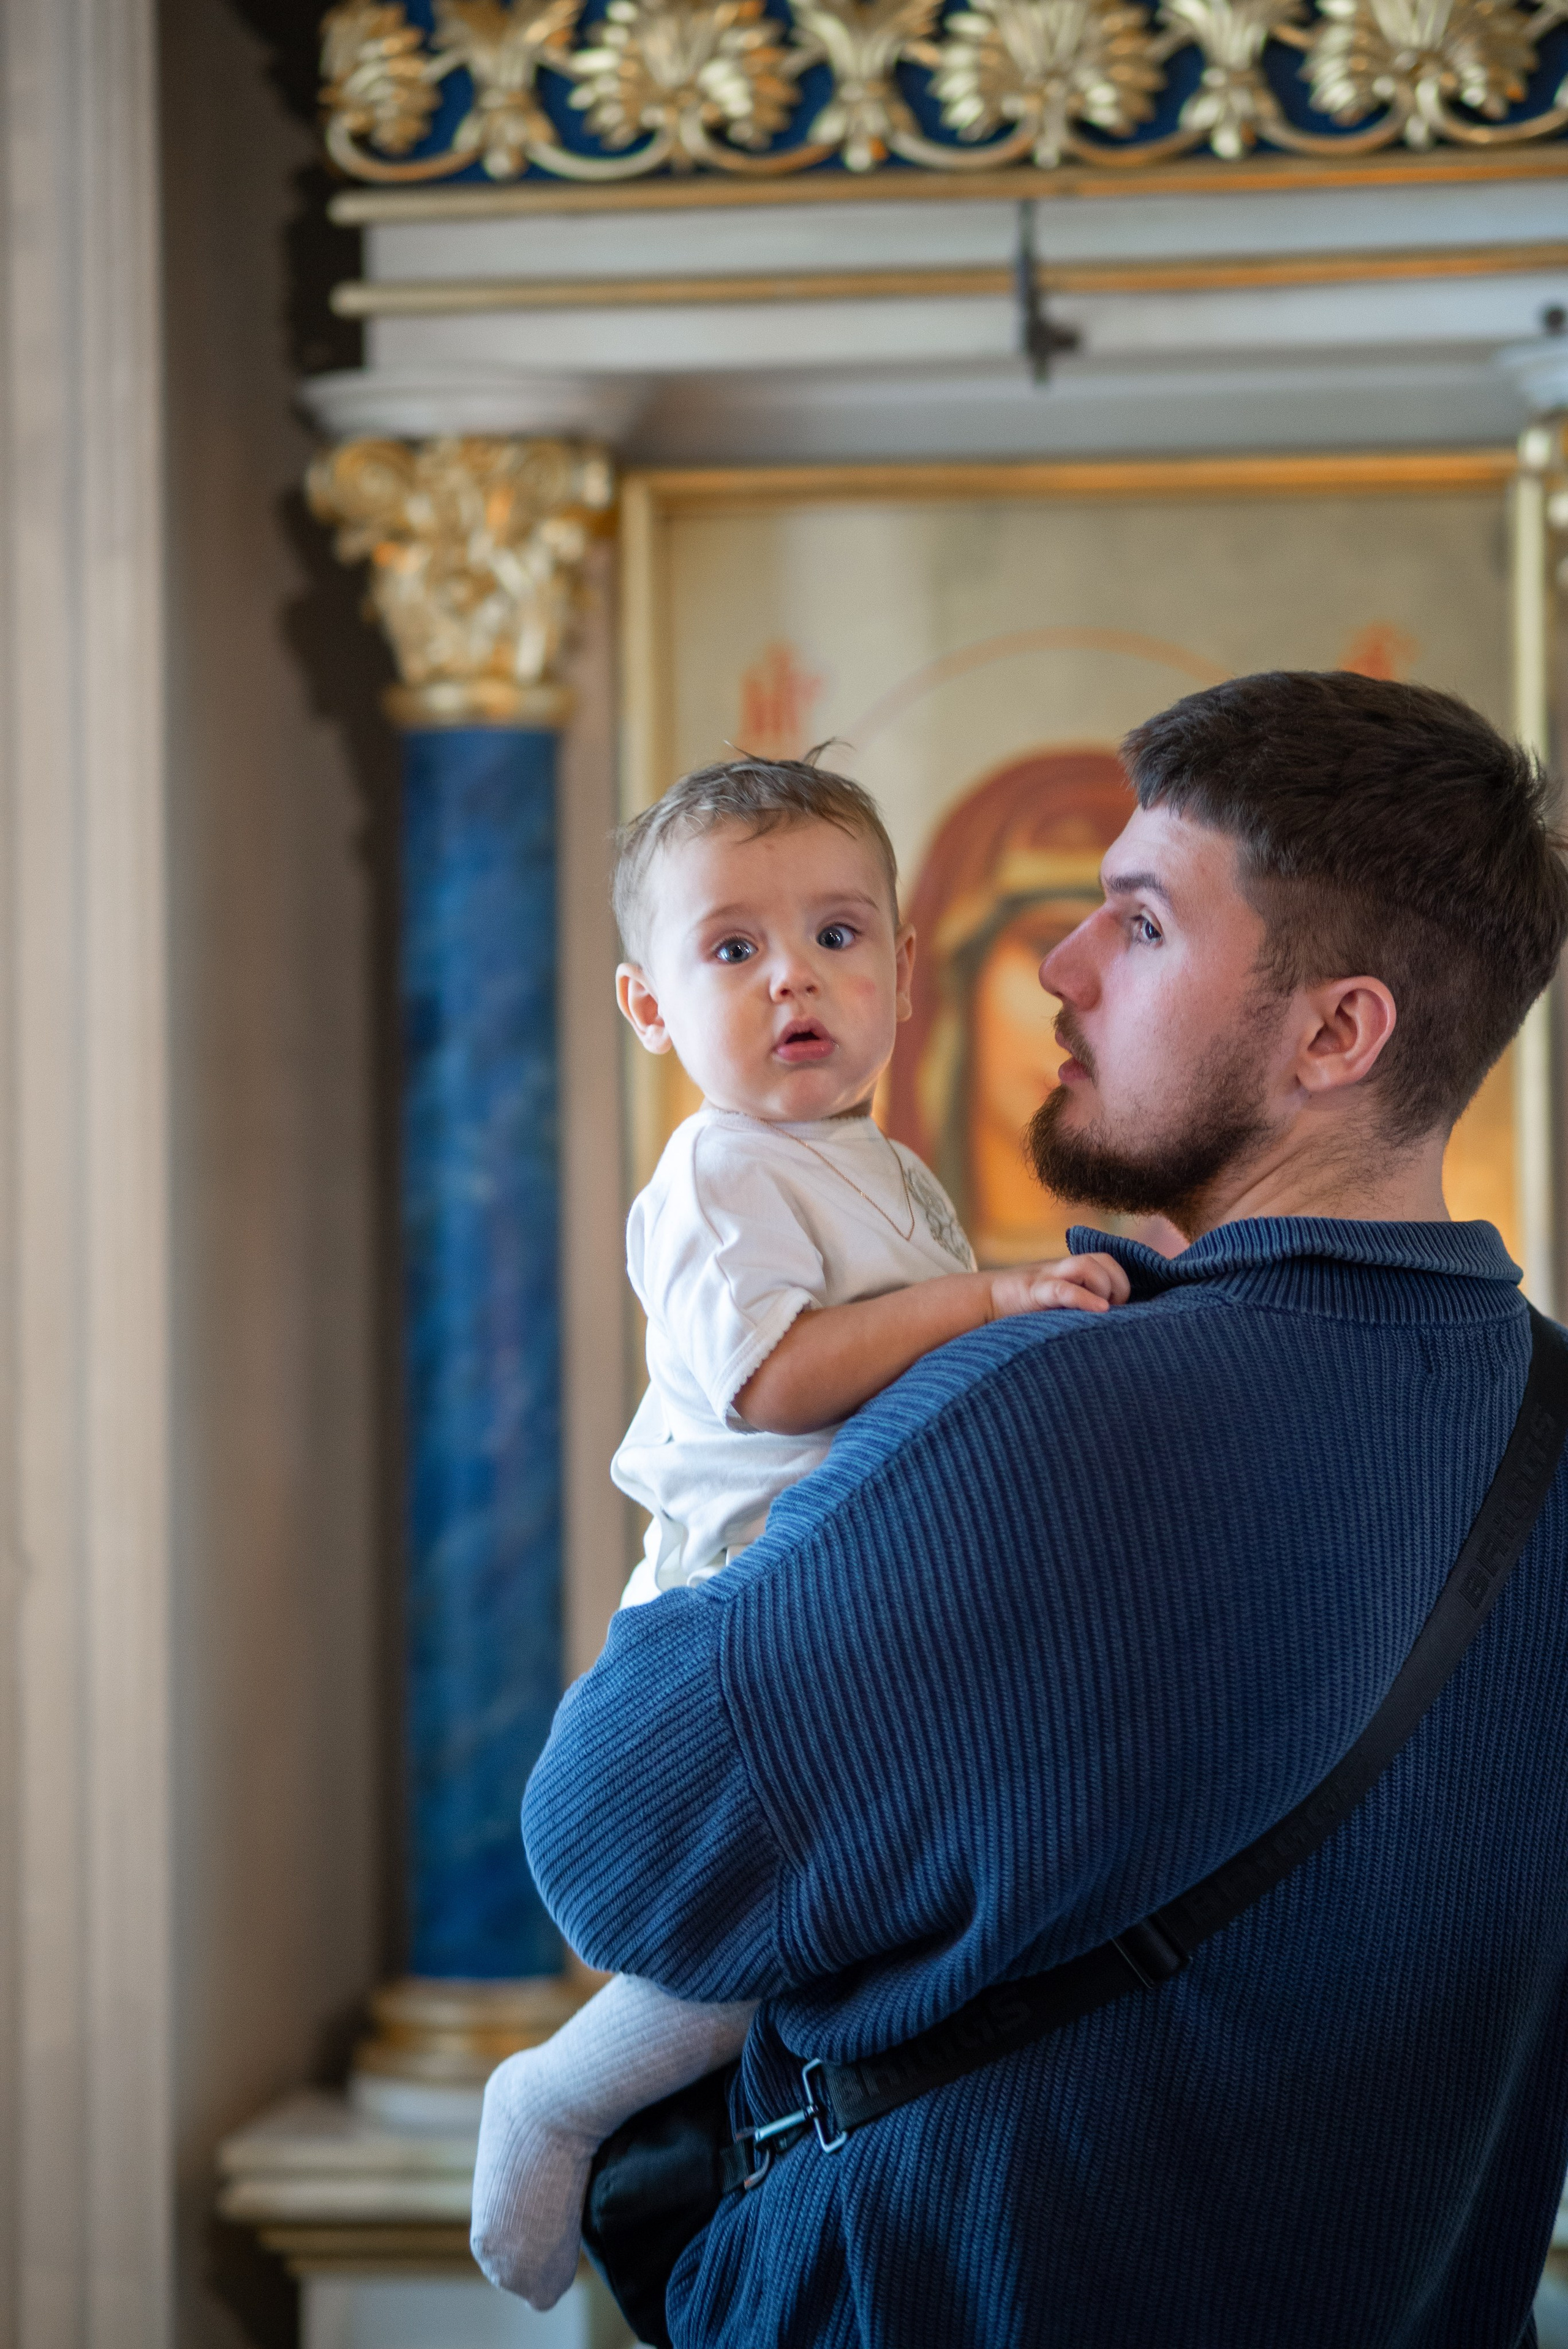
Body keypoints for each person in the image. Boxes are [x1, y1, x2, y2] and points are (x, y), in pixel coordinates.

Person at [503, 671, 1568, 2348]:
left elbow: (613, 1846)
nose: (1059, 966)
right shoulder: (1547, 1418)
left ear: (1337, 1032)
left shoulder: (1054, 1415)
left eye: (1137, 926)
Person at [470, 753, 1128, 2307]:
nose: (793, 980)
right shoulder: (716, 1171)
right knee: (761, 1929)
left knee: (860, 1919)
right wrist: (988, 1304)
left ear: (904, 969)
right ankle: (557, 2092)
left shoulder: (880, 1169)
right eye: (731, 949)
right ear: (649, 1010)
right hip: (741, 1615)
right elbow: (773, 1381)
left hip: (861, 1607)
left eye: (837, 935)